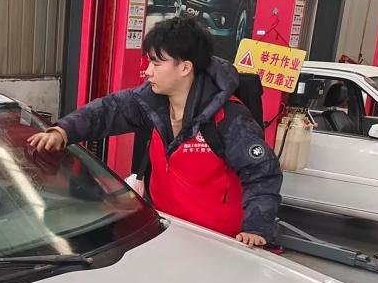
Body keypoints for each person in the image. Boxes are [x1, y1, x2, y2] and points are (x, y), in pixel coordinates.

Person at [28, 16, 281, 247]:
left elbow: (262, 173)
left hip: (218, 246)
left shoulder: (230, 118)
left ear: (185, 68)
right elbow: (107, 110)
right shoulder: (151, 103)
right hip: (166, 234)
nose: (148, 71)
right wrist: (63, 130)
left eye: (156, 63)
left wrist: (256, 228)